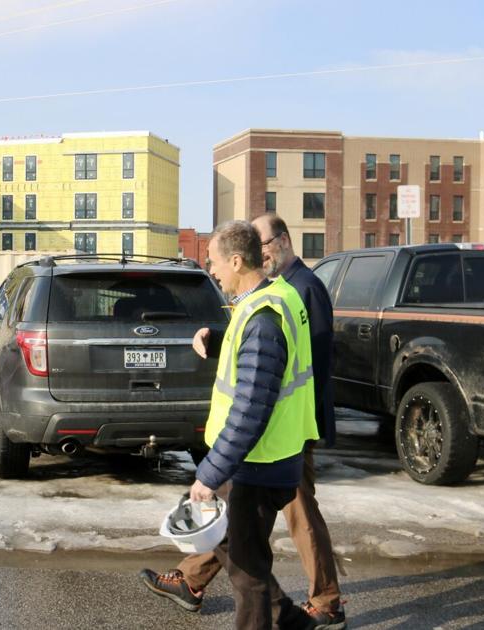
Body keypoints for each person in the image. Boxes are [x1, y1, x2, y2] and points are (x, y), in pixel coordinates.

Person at [141, 214, 346, 630]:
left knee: (247, 572)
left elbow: (253, 403)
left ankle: (303, 611)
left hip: (262, 459)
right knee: (237, 551)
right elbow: (260, 363)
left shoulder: (267, 314)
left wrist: (211, 472)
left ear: (236, 262)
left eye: (213, 261)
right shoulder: (272, 297)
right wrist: (218, 341)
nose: (209, 270)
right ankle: (290, 619)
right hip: (265, 455)